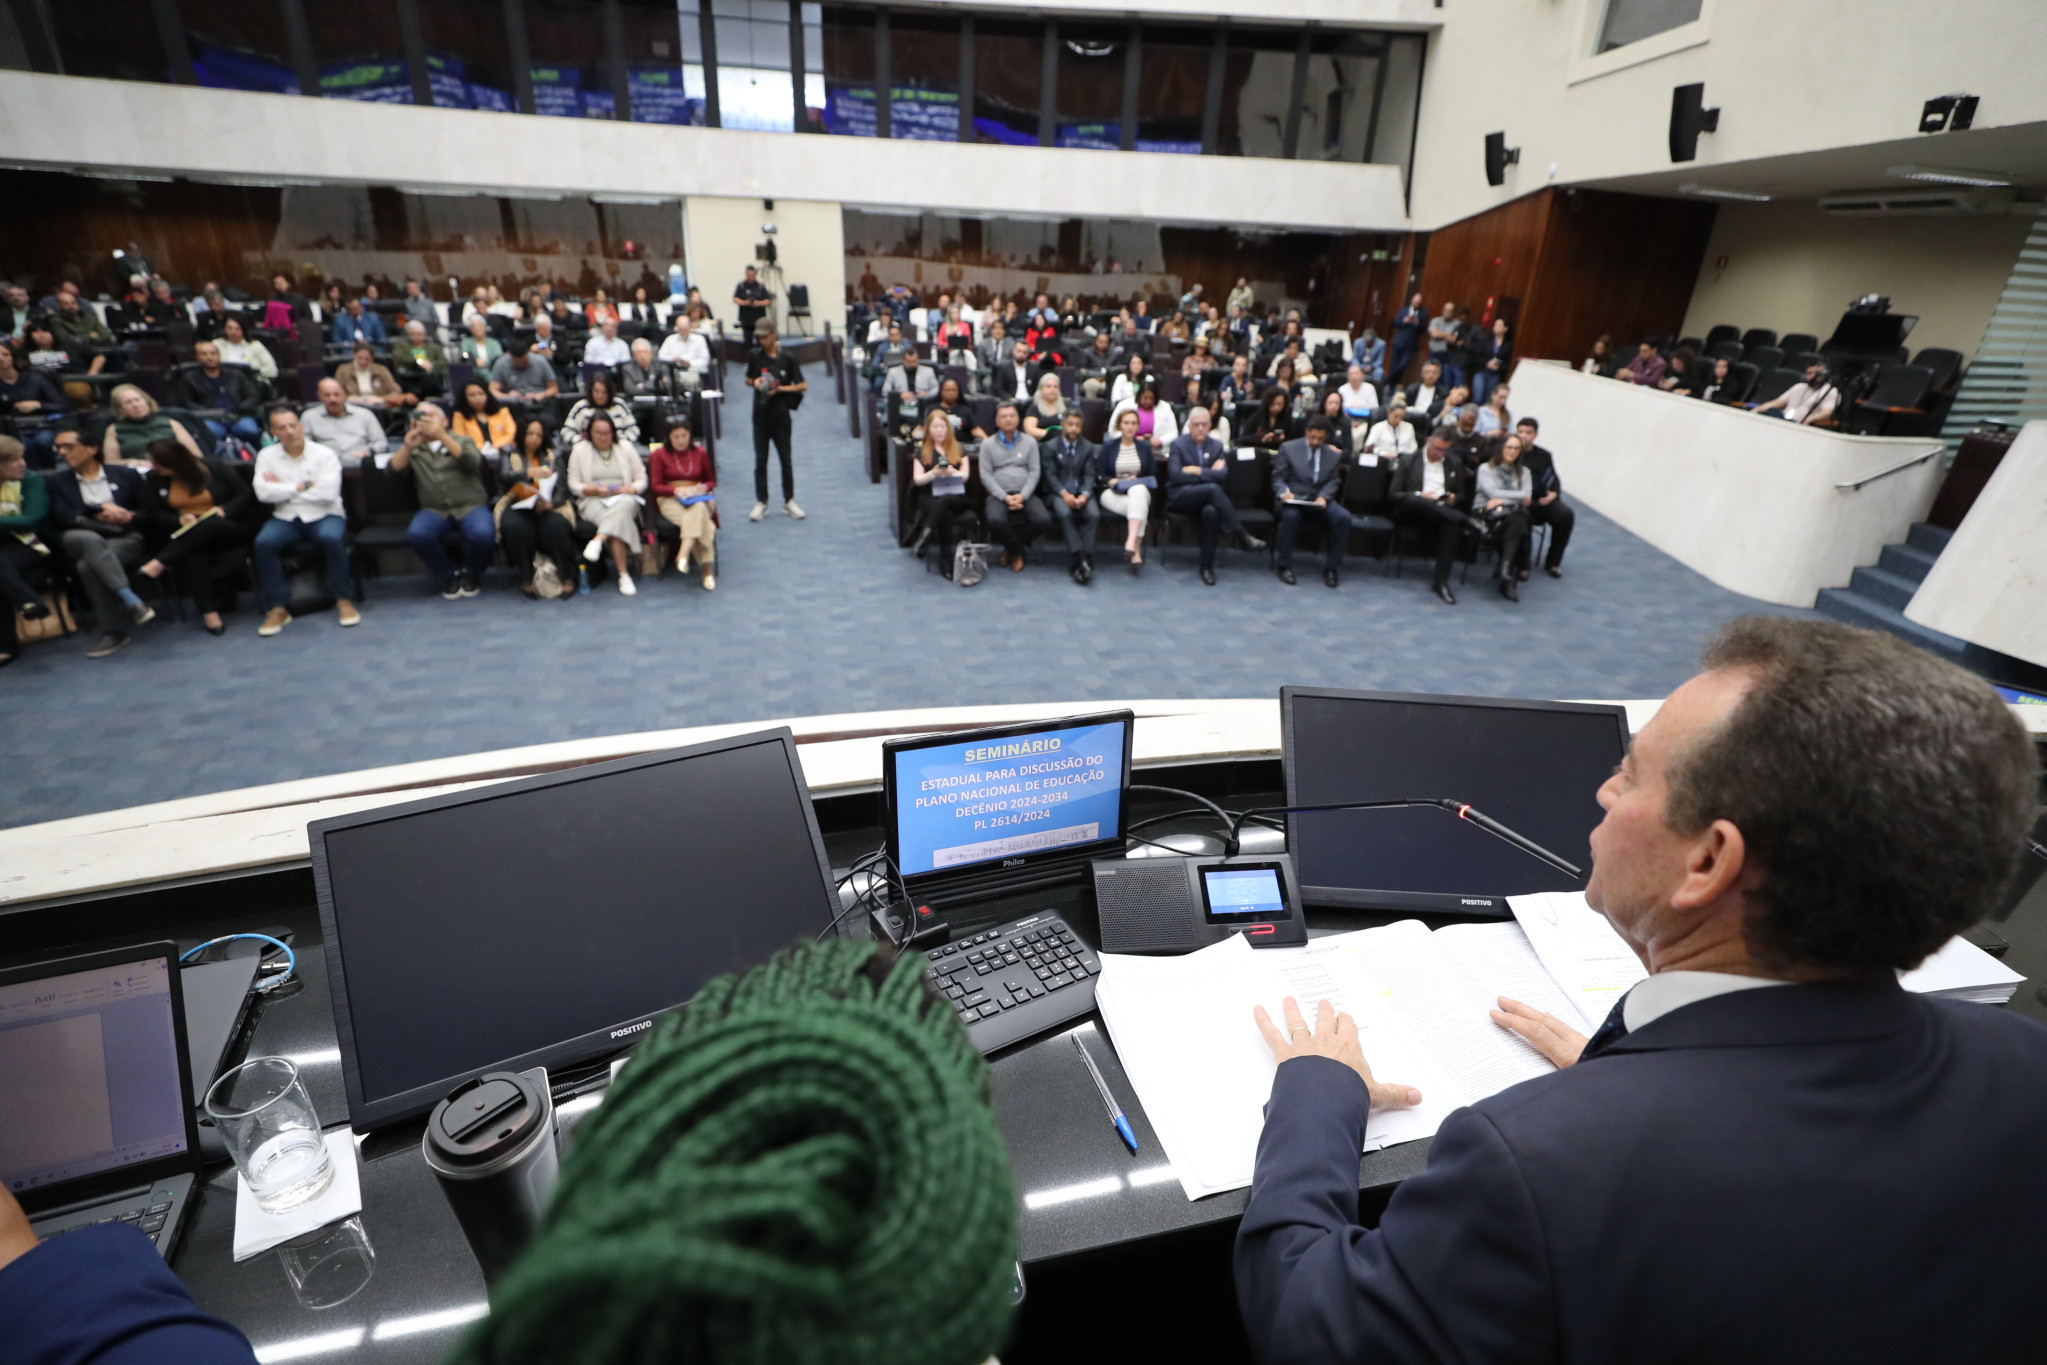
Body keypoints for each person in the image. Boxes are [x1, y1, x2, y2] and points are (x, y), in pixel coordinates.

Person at [1235, 616, 2045, 1365]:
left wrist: (1317, 1093)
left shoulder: (1538, 1162)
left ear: (1708, 862)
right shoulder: (2024, 1061)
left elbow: (1311, 1323)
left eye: (1628, 776)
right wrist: (1618, 1076)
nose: (1602, 793)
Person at [47, 427, 155, 656]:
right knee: (89, 539)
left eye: (69, 446)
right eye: (58, 448)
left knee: (88, 566)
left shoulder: (126, 475)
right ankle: (130, 599)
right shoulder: (57, 482)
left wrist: (127, 517)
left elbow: (148, 514)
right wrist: (98, 511)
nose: (62, 452)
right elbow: (62, 517)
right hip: (77, 538)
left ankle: (113, 632)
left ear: (93, 448)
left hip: (123, 537)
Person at [250, 406, 358, 635]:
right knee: (264, 543)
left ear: (301, 427)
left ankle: (344, 599)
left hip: (325, 513)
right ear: (274, 432)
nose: (289, 431)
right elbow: (263, 493)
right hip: (286, 516)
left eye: (293, 426)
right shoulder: (266, 456)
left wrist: (282, 487)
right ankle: (278, 607)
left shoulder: (324, 454)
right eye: (282, 428)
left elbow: (328, 493)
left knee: (331, 538)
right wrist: (303, 486)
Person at [135, 437, 256, 634]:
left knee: (208, 525)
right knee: (192, 554)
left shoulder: (213, 467)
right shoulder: (154, 479)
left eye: (159, 464)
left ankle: (161, 561)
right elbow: (155, 514)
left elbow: (244, 494)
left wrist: (226, 510)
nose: (154, 468)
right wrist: (178, 520)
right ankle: (210, 613)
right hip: (189, 534)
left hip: (230, 527)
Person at [391, 401, 495, 599]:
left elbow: (473, 462)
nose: (425, 420)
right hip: (434, 509)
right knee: (418, 535)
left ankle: (471, 572)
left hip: (470, 505)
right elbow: (393, 472)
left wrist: (443, 437)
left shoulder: (462, 439)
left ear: (445, 421)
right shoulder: (415, 446)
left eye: (430, 416)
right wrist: (407, 447)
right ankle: (448, 575)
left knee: (483, 535)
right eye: (420, 416)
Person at [1167, 405, 1264, 587]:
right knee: (1212, 489)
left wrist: (1195, 470)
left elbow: (1221, 476)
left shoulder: (1217, 446)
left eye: (1204, 424)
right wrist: (1208, 472)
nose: (1200, 428)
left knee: (1211, 512)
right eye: (1196, 424)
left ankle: (1206, 566)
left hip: (1207, 499)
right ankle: (1241, 535)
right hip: (1181, 496)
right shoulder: (1178, 444)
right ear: (1190, 426)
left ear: (1210, 425)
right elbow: (1176, 476)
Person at [494, 417, 580, 599]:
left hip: (547, 504)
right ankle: (527, 578)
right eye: (530, 433)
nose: (534, 438)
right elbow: (504, 477)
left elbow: (562, 488)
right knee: (516, 528)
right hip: (517, 503)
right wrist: (527, 473)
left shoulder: (553, 455)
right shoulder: (508, 452)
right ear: (522, 434)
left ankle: (566, 577)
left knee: (557, 527)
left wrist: (551, 504)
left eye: (539, 435)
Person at [568, 411, 647, 596]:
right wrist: (592, 490)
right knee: (618, 520)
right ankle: (623, 575)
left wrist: (630, 489)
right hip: (593, 500)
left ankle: (598, 540)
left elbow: (642, 479)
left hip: (624, 498)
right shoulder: (579, 450)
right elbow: (573, 484)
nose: (603, 437)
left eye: (607, 433)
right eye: (598, 433)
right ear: (590, 433)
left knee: (623, 508)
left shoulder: (625, 447)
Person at [1271, 416, 1351, 588]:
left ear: (1326, 436)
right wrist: (1284, 493)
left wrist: (1324, 497)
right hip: (1294, 499)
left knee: (1343, 518)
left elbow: (1334, 481)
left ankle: (1332, 569)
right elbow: (1278, 477)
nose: (1316, 442)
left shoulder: (1332, 454)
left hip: (1319, 500)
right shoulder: (1288, 448)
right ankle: (1284, 566)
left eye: (1320, 439)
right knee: (1290, 517)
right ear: (1307, 432)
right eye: (1313, 437)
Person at [745, 321, 805, 522]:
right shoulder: (754, 355)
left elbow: (802, 385)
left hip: (781, 417)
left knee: (785, 460)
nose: (762, 340)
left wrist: (780, 389)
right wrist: (755, 383)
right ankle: (761, 502)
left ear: (773, 334)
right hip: (760, 417)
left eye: (765, 336)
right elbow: (748, 379)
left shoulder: (787, 357)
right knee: (760, 460)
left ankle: (789, 500)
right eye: (759, 337)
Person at [979, 400, 1048, 572]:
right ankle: (1018, 551)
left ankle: (1012, 549)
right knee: (994, 520)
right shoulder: (987, 444)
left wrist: (1023, 496)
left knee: (1043, 519)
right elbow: (985, 475)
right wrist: (1005, 497)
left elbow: (1034, 472)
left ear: (1018, 419)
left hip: (1026, 493)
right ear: (997, 421)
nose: (1008, 419)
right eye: (1004, 416)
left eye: (1012, 416)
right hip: (999, 494)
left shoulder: (1030, 442)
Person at [649, 419, 716, 589]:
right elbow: (656, 486)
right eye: (676, 436)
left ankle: (683, 553)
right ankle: (706, 570)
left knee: (698, 507)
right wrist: (675, 491)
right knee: (702, 521)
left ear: (690, 435)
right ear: (669, 437)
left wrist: (703, 488)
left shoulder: (700, 452)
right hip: (670, 497)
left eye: (684, 435)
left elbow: (711, 481)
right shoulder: (658, 455)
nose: (680, 440)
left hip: (698, 496)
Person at [907, 408, 975, 578]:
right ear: (928, 430)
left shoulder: (958, 448)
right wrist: (933, 473)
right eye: (935, 427)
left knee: (946, 501)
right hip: (931, 495)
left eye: (942, 427)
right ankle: (946, 558)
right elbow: (917, 480)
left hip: (957, 495)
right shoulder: (922, 451)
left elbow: (965, 477)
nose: (939, 431)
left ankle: (925, 536)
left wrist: (953, 472)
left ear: (948, 428)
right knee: (945, 512)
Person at [1040, 408, 1101, 585]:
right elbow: (1050, 477)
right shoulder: (1050, 447)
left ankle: (1086, 557)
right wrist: (1065, 494)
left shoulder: (1087, 447)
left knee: (1093, 514)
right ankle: (1079, 557)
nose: (1074, 428)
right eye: (1070, 424)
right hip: (1057, 493)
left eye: (1077, 425)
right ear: (1062, 425)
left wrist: (1084, 495)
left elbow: (1089, 475)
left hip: (1081, 493)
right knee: (1064, 513)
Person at [1513, 416, 1574, 579]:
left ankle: (1553, 562)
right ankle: (1522, 565)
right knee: (1522, 517)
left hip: (1542, 501)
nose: (1524, 436)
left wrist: (1554, 493)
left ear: (1535, 435)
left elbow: (1553, 478)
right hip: (1521, 501)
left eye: (1528, 432)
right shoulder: (1511, 452)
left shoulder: (1544, 455)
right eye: (1521, 432)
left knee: (1565, 515)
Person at [1475, 431, 1534, 599]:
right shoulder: (1486, 469)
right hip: (1486, 514)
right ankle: (1513, 571)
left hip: (1512, 515)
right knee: (1521, 522)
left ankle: (1505, 568)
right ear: (1501, 448)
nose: (1513, 452)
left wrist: (1503, 500)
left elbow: (1528, 499)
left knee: (1518, 520)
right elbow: (1492, 493)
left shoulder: (1525, 472)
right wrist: (1518, 497)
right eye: (1509, 447)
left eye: (1517, 448)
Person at [1097, 406, 1156, 575]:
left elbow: (1152, 473)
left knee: (1138, 490)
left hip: (1138, 491)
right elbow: (1099, 474)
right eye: (1126, 423)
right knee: (1140, 508)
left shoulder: (1144, 447)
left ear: (1138, 426)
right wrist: (1112, 480)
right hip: (1112, 492)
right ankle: (1135, 550)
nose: (1130, 426)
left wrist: (1135, 479)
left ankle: (1130, 542)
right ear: (1119, 425)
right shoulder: (1109, 446)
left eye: (1133, 423)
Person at [172, 340, 263, 443]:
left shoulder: (236, 375)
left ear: (219, 355)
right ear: (197, 357)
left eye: (213, 353)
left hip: (238, 415)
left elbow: (253, 396)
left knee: (250, 430)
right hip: (209, 418)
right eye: (204, 354)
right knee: (209, 435)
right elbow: (186, 402)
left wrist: (239, 408)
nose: (209, 357)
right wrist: (207, 412)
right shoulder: (189, 378)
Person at [102, 384, 203, 467]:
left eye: (137, 400)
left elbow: (196, 456)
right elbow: (110, 463)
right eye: (128, 402)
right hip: (137, 474)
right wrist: (132, 462)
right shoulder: (114, 430)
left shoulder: (171, 423)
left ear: (147, 401)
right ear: (120, 409)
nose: (135, 405)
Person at [0, 344, 64, 466]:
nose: (1, 359)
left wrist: (40, 404)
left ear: (13, 357)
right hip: (13, 427)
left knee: (43, 442)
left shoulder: (35, 379)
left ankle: (51, 471)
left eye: (5, 354)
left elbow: (60, 404)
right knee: (21, 446)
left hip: (43, 424)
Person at [300, 377, 387, 464]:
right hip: (325, 465)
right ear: (319, 396)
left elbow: (381, 442)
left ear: (344, 394)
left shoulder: (364, 415)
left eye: (336, 394)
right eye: (327, 395)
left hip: (361, 464)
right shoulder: (309, 417)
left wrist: (368, 452)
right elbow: (303, 445)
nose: (332, 399)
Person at [561, 374, 639, 448]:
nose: (600, 396)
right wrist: (582, 441)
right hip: (587, 450)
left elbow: (634, 430)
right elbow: (566, 432)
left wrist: (619, 441)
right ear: (591, 391)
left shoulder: (620, 405)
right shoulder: (581, 407)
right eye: (596, 391)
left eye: (604, 392)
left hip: (618, 448)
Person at [1752, 361, 1839, 425]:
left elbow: (1827, 412)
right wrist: (1757, 409)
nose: (1810, 377)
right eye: (1808, 373)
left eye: (1813, 373)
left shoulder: (1830, 391)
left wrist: (1809, 419)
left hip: (1800, 422)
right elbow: (1778, 402)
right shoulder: (1799, 387)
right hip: (1783, 418)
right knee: (1772, 411)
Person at [489, 339, 560, 417]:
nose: (520, 364)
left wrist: (541, 395)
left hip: (540, 405)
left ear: (527, 354)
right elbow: (492, 390)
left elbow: (554, 389)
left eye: (523, 361)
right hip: (514, 406)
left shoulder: (540, 362)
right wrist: (507, 397)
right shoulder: (501, 364)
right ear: (510, 356)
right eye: (517, 361)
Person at [452, 379, 517, 461]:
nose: (477, 398)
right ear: (465, 398)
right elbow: (460, 438)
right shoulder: (459, 416)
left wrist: (494, 447)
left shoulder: (502, 412)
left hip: (503, 453)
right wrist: (481, 449)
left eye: (481, 394)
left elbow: (510, 433)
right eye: (472, 395)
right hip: (474, 456)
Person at [880, 346, 939, 438]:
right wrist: (900, 395)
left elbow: (937, 389)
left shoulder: (929, 371)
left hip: (922, 405)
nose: (912, 364)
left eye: (914, 361)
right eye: (909, 362)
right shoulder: (893, 372)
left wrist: (927, 394)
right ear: (903, 361)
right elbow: (885, 391)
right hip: (901, 405)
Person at [1109, 379, 1179, 453]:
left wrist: (1159, 441)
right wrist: (1132, 439)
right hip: (1127, 448)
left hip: (1156, 451)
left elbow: (1173, 433)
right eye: (1145, 398)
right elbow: (1113, 430)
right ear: (1139, 395)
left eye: (1151, 398)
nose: (1148, 401)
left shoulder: (1165, 407)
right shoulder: (1124, 405)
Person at [333, 341, 405, 409]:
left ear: (372, 358)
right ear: (353, 355)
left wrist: (381, 399)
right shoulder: (343, 371)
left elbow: (396, 392)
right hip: (353, 406)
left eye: (367, 359)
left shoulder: (381, 370)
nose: (363, 361)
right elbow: (335, 393)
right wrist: (349, 398)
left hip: (378, 407)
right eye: (360, 358)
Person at [212, 316, 277, 382]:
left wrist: (254, 372)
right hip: (224, 381)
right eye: (230, 328)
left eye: (237, 329)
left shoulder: (255, 345)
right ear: (225, 329)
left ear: (243, 330)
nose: (233, 332)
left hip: (252, 381)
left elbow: (272, 370)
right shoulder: (216, 344)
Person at [657, 313, 710, 390]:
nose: (682, 332)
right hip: (674, 373)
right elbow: (660, 356)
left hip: (694, 373)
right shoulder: (670, 339)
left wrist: (689, 363)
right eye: (680, 329)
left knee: (691, 381)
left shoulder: (699, 339)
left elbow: (705, 360)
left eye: (684, 329)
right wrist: (673, 359)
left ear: (690, 327)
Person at [923, 375, 984, 441]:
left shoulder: (966, 410)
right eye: (947, 390)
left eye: (954, 390)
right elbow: (924, 429)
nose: (951, 393)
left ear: (958, 392)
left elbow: (975, 429)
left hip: (962, 444)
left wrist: (985, 438)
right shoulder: (932, 409)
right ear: (941, 392)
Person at [1361, 399, 1418, 466]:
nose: (1398, 420)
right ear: (1389, 413)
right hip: (1383, 461)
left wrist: (1403, 456)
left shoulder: (1409, 427)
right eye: (1396, 416)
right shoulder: (1378, 427)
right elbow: (1369, 448)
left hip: (1404, 463)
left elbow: (1413, 448)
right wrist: (1383, 453)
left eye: (1402, 417)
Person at [1387, 293, 1425, 385]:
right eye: (1415, 301)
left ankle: (1386, 381)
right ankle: (1391, 385)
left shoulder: (1423, 313)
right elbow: (1395, 323)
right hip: (1398, 341)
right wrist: (1404, 321)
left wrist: (1417, 323)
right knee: (1393, 364)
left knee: (1402, 365)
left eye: (1418, 302)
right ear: (1412, 301)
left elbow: (1423, 328)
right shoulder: (1404, 310)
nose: (1416, 303)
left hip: (1411, 344)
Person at [1472, 317, 1512, 404]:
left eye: (1499, 325)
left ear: (1505, 329)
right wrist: (1487, 363)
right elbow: (1476, 356)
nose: (1496, 327)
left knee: (1488, 399)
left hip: (1495, 375)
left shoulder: (1508, 344)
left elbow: (1507, 363)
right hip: (1482, 371)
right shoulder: (1486, 339)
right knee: (1478, 398)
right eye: (1495, 325)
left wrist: (1499, 367)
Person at [1021, 371, 1067, 443]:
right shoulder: (1034, 407)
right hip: (1043, 443)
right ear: (1041, 389)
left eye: (1055, 387)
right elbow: (1029, 430)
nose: (1052, 389)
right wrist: (1051, 434)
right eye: (1048, 386)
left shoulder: (1066, 405)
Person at [1249, 385, 1298, 453]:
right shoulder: (1257, 416)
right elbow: (1245, 438)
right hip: (1260, 452)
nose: (1276, 408)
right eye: (1273, 404)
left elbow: (1294, 441)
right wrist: (1262, 440)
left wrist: (1283, 439)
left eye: (1279, 404)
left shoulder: (1288, 419)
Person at [990, 339, 1038, 406]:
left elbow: (1038, 388)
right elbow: (999, 389)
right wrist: (1009, 399)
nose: (1021, 354)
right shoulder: (1004, 367)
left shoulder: (1034, 367)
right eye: (1019, 351)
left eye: (1024, 352)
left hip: (1030, 402)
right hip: (1011, 402)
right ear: (1013, 351)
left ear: (1028, 353)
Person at [1401, 360, 1448, 425]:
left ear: (1439, 375)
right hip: (1411, 416)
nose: (1431, 375)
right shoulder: (1413, 388)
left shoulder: (1442, 392)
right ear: (1423, 373)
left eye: (1434, 373)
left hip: (1428, 420)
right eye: (1428, 372)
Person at [732, 265, 771, 339]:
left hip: (759, 319)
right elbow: (735, 299)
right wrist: (744, 303)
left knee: (760, 340)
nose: (750, 278)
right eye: (748, 276)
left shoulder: (761, 287)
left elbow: (768, 301)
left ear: (755, 274)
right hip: (746, 319)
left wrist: (757, 303)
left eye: (752, 276)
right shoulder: (741, 286)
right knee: (747, 340)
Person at [1425, 300, 1458, 382]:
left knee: (1444, 379)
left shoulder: (1457, 323)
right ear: (1443, 310)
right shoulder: (1436, 320)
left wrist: (1440, 333)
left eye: (1450, 311)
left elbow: (1453, 339)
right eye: (1446, 310)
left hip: (1448, 355)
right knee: (1431, 376)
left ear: (1453, 312)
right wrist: (1448, 334)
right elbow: (1434, 334)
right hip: (1434, 353)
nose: (1447, 312)